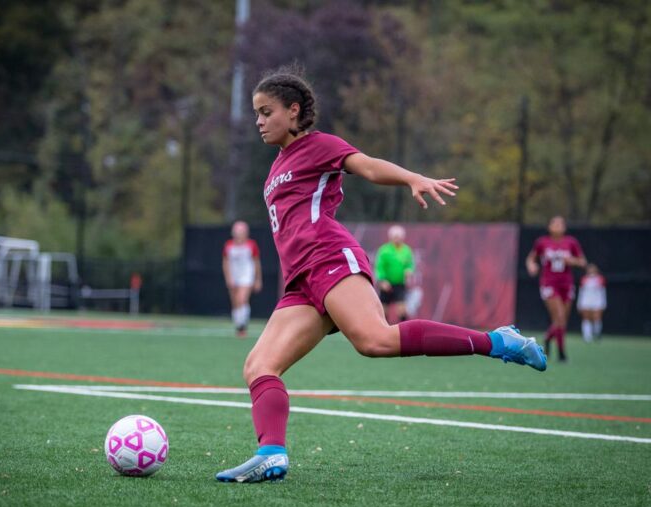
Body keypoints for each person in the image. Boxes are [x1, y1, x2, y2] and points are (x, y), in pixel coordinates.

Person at [215, 68, 546, 484]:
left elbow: (368, 167)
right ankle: (271, 454)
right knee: (259, 365)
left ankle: (499, 341)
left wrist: (411, 177)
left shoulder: (318, 145)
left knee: (375, 340)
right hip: (301, 280)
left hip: (329, 258)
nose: (259, 121)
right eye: (256, 114)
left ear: (293, 111)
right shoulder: (277, 166)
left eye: (267, 112)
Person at [525, 216, 586, 361]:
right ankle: (562, 353)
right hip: (549, 283)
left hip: (566, 283)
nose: (558, 226)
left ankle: (547, 337)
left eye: (561, 224)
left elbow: (583, 262)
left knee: (562, 320)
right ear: (549, 226)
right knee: (559, 317)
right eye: (554, 223)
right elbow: (531, 258)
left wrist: (572, 261)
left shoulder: (571, 242)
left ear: (564, 227)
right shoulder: (542, 242)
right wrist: (531, 265)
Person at [222, 221, 263, 336]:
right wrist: (228, 278)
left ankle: (242, 326)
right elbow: (225, 263)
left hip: (247, 275)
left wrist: (258, 279)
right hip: (234, 275)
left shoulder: (251, 245)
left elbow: (256, 263)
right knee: (235, 302)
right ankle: (238, 324)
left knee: (242, 299)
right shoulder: (228, 246)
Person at [374, 224, 414, 324]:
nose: (397, 239)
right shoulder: (384, 250)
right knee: (383, 311)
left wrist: (409, 270)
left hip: (400, 284)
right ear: (391, 237)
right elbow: (379, 267)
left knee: (402, 310)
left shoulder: (406, 250)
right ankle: (384, 332)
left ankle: (404, 332)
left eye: (399, 237)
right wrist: (382, 280)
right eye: (395, 237)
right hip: (386, 284)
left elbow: (410, 264)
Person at [577, 264, 606, 342]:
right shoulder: (584, 279)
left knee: (597, 318)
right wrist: (579, 304)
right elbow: (581, 292)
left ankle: (597, 334)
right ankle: (587, 336)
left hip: (597, 301)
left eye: (593, 269)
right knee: (586, 318)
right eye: (590, 269)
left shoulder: (600, 279)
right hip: (586, 301)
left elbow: (603, 292)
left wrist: (603, 303)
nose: (591, 270)